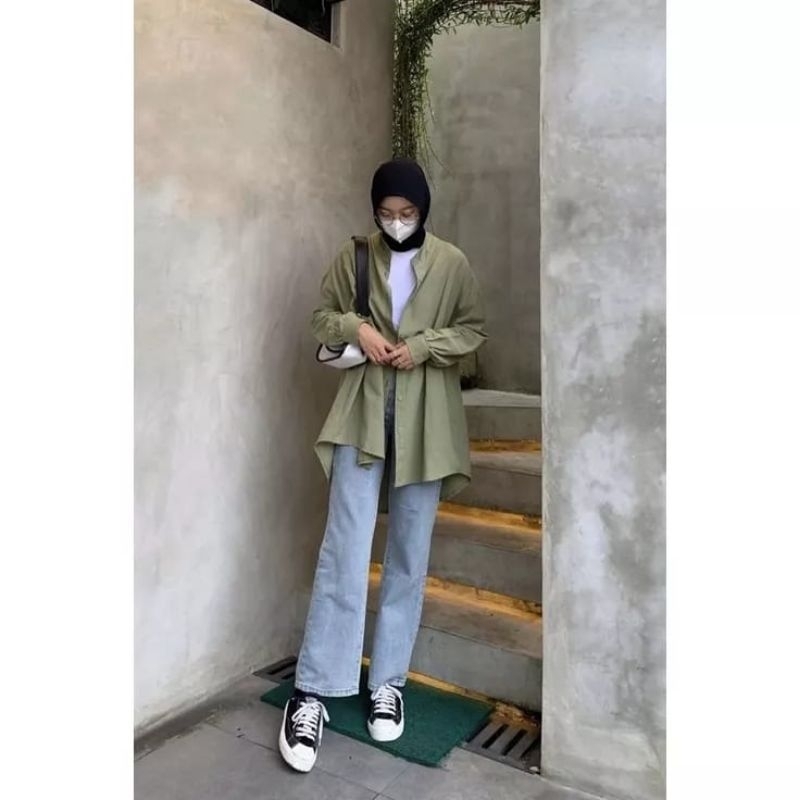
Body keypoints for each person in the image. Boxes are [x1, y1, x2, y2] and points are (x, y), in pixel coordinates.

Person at [278, 157, 487, 773]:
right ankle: (314, 690)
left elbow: (472, 330)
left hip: (427, 422)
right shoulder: (355, 256)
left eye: (407, 212)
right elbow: (321, 318)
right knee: (344, 549)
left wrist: (423, 346)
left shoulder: (452, 263)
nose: (397, 222)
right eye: (386, 212)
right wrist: (358, 328)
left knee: (408, 554)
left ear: (424, 209)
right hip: (363, 414)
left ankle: (387, 682)